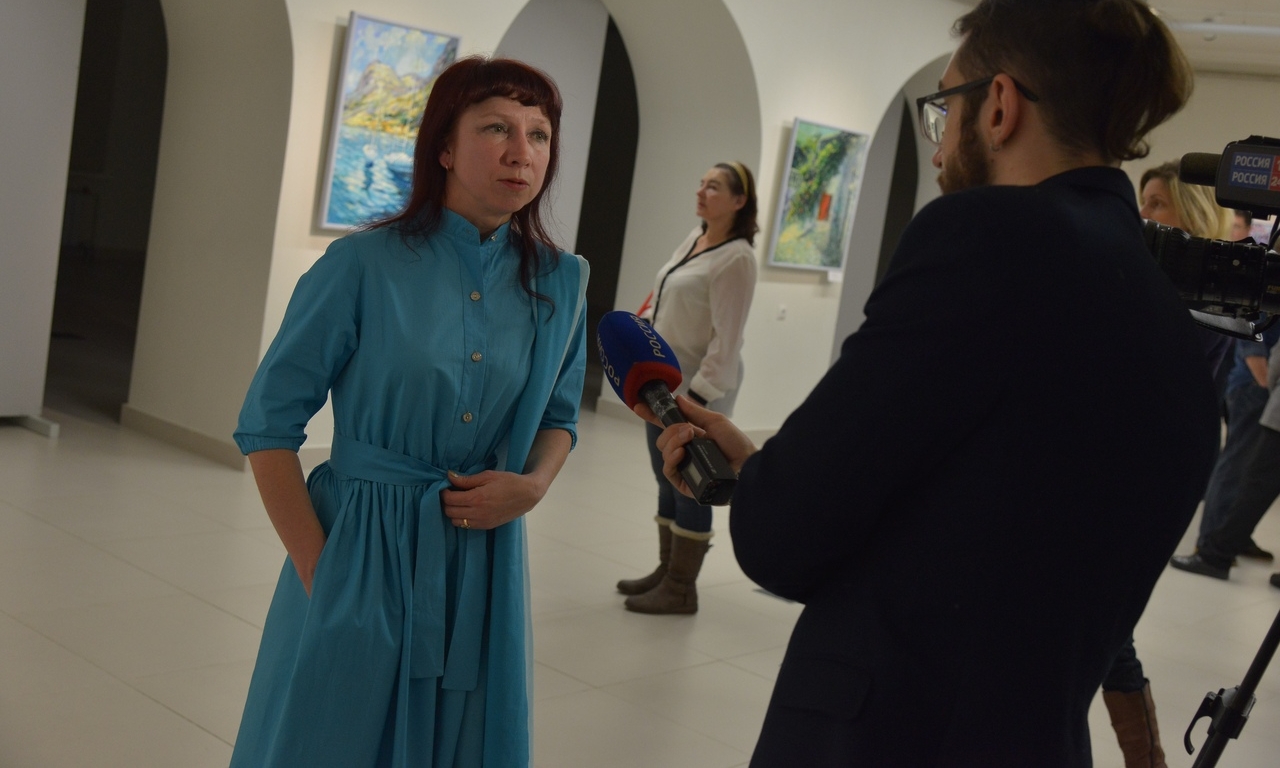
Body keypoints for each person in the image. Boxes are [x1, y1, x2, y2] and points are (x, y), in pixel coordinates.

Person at [639, 1, 1218, 764]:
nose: (939, 146)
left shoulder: (989, 237)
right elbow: (996, 520)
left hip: (886, 736)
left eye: (945, 109)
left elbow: (785, 539)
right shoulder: (1165, 307)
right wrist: (760, 468)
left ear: (1000, 106)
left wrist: (769, 491)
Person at [229, 57, 589, 767]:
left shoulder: (562, 279)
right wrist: (322, 571)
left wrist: (533, 485)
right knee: (329, 736)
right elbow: (266, 426)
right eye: (497, 128)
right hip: (361, 542)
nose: (522, 152)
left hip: (482, 550)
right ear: (444, 148)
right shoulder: (360, 265)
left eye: (540, 134)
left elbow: (560, 414)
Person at [616, 161, 758, 615]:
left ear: (739, 201)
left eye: (713, 187)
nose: (701, 191)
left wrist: (696, 399)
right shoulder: (697, 238)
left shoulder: (737, 258)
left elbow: (727, 340)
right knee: (666, 475)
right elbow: (662, 298)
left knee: (692, 482)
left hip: (696, 392)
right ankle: (666, 570)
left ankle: (681, 587)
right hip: (661, 383)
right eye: (701, 183)